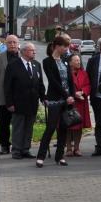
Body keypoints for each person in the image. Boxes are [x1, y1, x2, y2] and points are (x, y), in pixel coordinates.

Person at [36, 37, 75, 167]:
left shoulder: (65, 61)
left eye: (67, 46)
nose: (66, 49)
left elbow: (70, 80)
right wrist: (65, 95)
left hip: (67, 99)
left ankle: (60, 156)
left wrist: (72, 95)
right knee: (51, 127)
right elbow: (53, 81)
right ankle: (40, 156)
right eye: (64, 46)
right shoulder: (47, 62)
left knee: (64, 128)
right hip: (55, 98)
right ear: (57, 46)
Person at [4, 43, 45, 159]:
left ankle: (26, 149)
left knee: (29, 127)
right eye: (32, 50)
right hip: (18, 102)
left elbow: (40, 83)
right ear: (24, 51)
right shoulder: (13, 65)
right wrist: (9, 103)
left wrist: (43, 98)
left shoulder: (36, 65)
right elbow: (7, 86)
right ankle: (16, 150)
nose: (34, 52)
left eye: (34, 50)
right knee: (18, 127)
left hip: (32, 102)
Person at [0, 34, 20, 153]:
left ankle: (18, 145)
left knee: (19, 121)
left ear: (18, 44)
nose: (12, 44)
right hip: (4, 95)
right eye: (9, 42)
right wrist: (2, 86)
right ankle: (5, 145)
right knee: (4, 122)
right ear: (5, 44)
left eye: (14, 42)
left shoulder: (22, 56)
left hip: (19, 95)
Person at [67, 53, 91, 156]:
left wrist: (82, 92)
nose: (78, 62)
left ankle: (76, 148)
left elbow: (88, 85)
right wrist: (73, 94)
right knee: (67, 126)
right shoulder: (66, 73)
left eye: (79, 60)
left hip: (81, 102)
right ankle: (68, 148)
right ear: (70, 62)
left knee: (78, 127)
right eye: (76, 60)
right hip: (70, 102)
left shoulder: (84, 73)